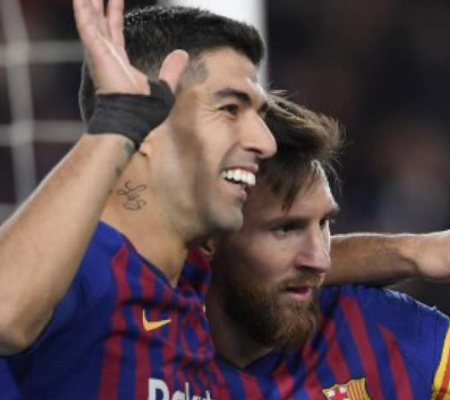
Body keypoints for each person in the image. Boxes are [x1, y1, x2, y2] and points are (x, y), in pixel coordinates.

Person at [0, 0, 275, 399]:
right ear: (150, 128)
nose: (266, 142)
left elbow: (302, 266)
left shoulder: (193, 283)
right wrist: (119, 121)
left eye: (260, 115)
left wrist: (380, 252)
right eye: (231, 108)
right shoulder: (85, 266)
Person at [204, 97, 450, 399]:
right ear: (208, 237)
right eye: (286, 229)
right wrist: (411, 254)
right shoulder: (159, 346)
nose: (320, 259)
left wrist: (417, 252)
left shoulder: (381, 332)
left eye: (324, 223)